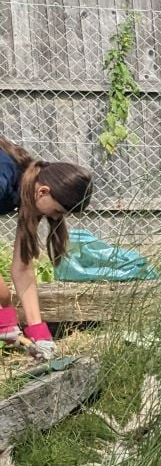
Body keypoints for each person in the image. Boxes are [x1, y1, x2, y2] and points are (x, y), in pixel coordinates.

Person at [0, 138, 93, 363]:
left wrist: (39, 332)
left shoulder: (27, 194)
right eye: (58, 211)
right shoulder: (3, 177)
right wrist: (5, 308)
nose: (55, 218)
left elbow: (22, 269)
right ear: (43, 191)